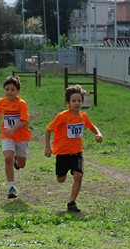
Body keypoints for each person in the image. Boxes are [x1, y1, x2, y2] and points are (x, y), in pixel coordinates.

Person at [44, 85, 103, 213]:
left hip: (77, 152)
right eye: (73, 101)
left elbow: (92, 127)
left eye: (79, 101)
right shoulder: (62, 116)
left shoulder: (83, 116)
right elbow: (48, 130)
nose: (77, 103)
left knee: (79, 175)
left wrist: (98, 134)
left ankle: (72, 202)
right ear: (68, 103)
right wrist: (47, 148)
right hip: (62, 152)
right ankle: (63, 173)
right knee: (61, 179)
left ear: (82, 102)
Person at [0, 76, 32, 199]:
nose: (9, 92)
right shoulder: (1, 102)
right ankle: (11, 187)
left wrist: (13, 129)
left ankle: (17, 160)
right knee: (8, 157)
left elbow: (24, 122)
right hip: (7, 135)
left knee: (21, 165)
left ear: (18, 91)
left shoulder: (21, 104)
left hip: (22, 136)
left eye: (12, 90)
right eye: (7, 89)